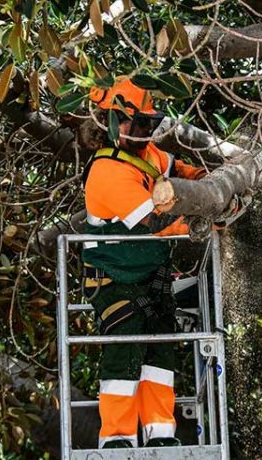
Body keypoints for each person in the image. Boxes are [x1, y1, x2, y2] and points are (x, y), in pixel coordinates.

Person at [80, 77, 209, 449]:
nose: (144, 132)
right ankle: (117, 438)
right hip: (115, 279)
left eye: (149, 125)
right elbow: (155, 224)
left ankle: (160, 433)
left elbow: (179, 169)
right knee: (126, 349)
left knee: (159, 353)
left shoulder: (147, 155)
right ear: (112, 122)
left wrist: (209, 186)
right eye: (138, 125)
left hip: (152, 277)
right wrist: (202, 221)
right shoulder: (106, 172)